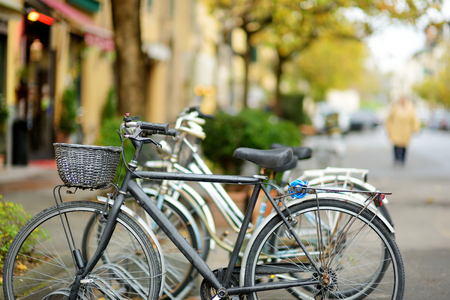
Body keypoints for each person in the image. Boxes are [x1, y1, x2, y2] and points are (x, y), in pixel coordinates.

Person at [385, 96, 420, 166]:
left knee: (404, 145)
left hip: (406, 129)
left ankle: (403, 159)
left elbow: (414, 119)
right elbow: (389, 118)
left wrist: (416, 128)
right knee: (396, 144)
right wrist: (388, 127)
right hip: (396, 128)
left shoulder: (410, 108)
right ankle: (396, 159)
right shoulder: (395, 107)